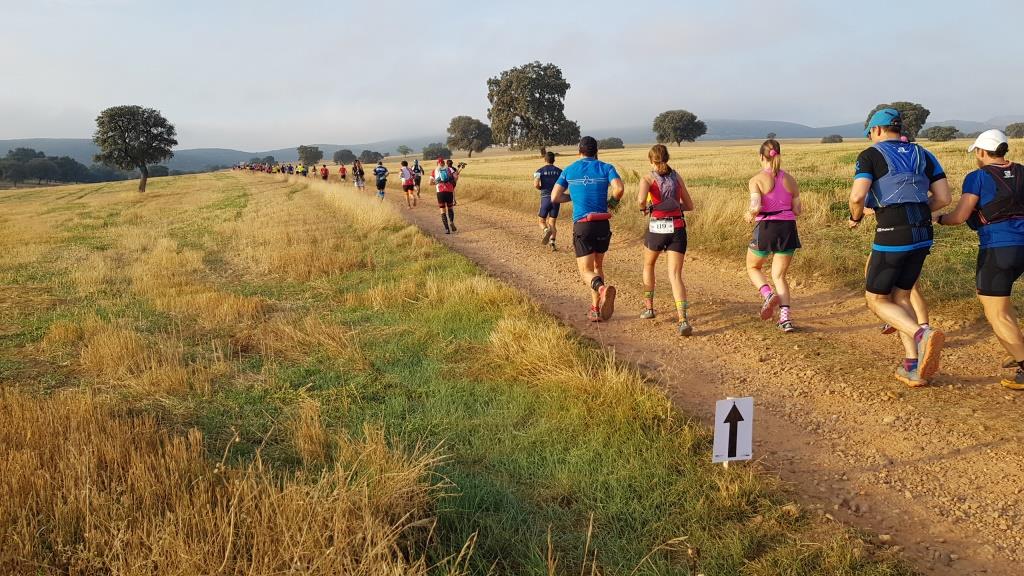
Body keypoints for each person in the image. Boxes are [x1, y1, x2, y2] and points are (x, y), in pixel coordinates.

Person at [849, 108, 951, 387]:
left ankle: (922, 335)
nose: (871, 138)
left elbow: (858, 196)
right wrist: (918, 212)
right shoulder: (924, 154)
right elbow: (943, 198)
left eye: (870, 133)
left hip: (892, 233)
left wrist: (855, 217)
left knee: (877, 299)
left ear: (878, 130)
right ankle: (912, 364)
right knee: (902, 297)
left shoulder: (871, 155)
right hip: (923, 233)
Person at [933, 130, 1024, 390]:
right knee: (1000, 304)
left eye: (977, 153)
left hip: (998, 248)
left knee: (995, 312)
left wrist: (939, 219)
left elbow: (961, 216)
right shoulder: (1023, 171)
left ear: (983, 152)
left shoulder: (978, 177)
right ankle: (1015, 347)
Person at [550, 136, 625, 322]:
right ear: (596, 151)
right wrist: (612, 204)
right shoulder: (606, 167)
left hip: (583, 224)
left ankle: (602, 289)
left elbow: (554, 197)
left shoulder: (569, 169)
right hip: (602, 224)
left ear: (579, 151)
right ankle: (595, 309)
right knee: (598, 266)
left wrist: (573, 197)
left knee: (586, 271)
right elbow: (619, 189)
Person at [638, 144, 695, 335]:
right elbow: (689, 205)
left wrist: (647, 207)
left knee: (648, 265)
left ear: (650, 160)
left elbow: (640, 201)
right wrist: (674, 206)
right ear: (667, 158)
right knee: (675, 276)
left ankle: (649, 308)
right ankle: (683, 320)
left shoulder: (647, 178)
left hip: (657, 227)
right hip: (678, 227)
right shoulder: (676, 176)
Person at [745, 139, 801, 333]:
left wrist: (749, 214)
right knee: (780, 276)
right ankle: (785, 320)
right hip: (788, 229)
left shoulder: (756, 180)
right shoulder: (791, 180)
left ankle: (767, 294)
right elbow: (797, 210)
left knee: (753, 266)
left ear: (761, 156)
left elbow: (756, 206)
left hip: (767, 227)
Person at [534, 151, 563, 251]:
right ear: (554, 160)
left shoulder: (539, 171)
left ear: (544, 159)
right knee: (552, 223)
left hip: (545, 198)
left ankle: (546, 231)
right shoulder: (560, 171)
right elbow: (564, 185)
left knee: (541, 221)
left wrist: (541, 188)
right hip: (556, 200)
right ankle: (552, 243)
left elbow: (536, 184)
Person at [430, 157, 458, 234]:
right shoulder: (449, 169)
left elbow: (430, 183)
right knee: (450, 208)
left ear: (437, 164)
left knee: (442, 210)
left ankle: (447, 229)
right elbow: (456, 177)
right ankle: (451, 221)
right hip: (449, 191)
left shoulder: (434, 171)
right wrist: (453, 183)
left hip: (440, 192)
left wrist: (436, 182)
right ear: (444, 163)